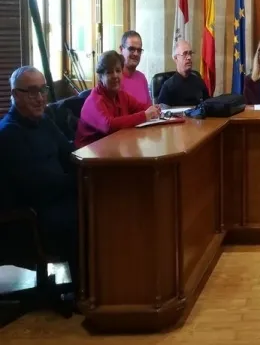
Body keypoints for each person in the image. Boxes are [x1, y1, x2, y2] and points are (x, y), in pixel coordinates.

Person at [0, 66, 79, 293]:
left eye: (43, 90)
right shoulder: (8, 133)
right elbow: (39, 186)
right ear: (15, 95)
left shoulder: (43, 121)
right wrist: (78, 182)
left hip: (54, 201)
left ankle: (101, 287)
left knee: (100, 204)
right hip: (28, 219)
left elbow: (69, 151)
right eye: (32, 91)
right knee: (87, 216)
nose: (40, 98)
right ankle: (85, 292)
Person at [75, 50, 161, 148]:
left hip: (113, 146)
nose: (115, 75)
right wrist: (144, 115)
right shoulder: (93, 101)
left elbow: (143, 108)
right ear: (100, 76)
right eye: (109, 72)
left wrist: (155, 110)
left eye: (118, 71)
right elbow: (109, 126)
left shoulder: (121, 95)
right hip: (89, 153)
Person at [157, 39, 209, 107]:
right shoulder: (168, 87)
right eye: (185, 54)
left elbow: (208, 106)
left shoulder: (199, 82)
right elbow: (162, 112)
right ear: (176, 58)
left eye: (190, 53)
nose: (189, 57)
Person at [118, 30, 151, 105]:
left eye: (139, 50)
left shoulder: (142, 78)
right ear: (121, 49)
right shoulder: (115, 79)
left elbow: (149, 108)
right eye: (131, 49)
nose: (136, 54)